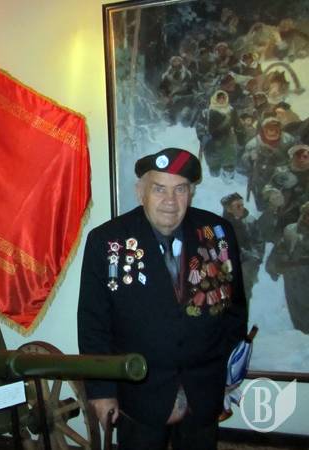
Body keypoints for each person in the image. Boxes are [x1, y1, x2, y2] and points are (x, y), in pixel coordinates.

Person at [78, 148, 247, 450]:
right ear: (140, 191)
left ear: (191, 192)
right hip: (138, 395)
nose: (170, 200)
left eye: (180, 189)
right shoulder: (106, 240)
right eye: (159, 189)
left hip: (203, 392)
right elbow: (93, 324)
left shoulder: (218, 233)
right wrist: (101, 391)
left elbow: (235, 310)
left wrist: (223, 371)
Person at [266, 201, 309, 334]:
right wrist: (272, 267)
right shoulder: (291, 230)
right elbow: (279, 249)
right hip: (292, 278)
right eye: (307, 214)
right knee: (297, 313)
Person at [220, 193, 264, 304]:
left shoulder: (250, 221)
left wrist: (254, 257)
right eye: (238, 206)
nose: (242, 208)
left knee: (244, 294)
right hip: (227, 265)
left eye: (242, 205)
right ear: (229, 209)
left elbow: (259, 242)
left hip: (248, 265)